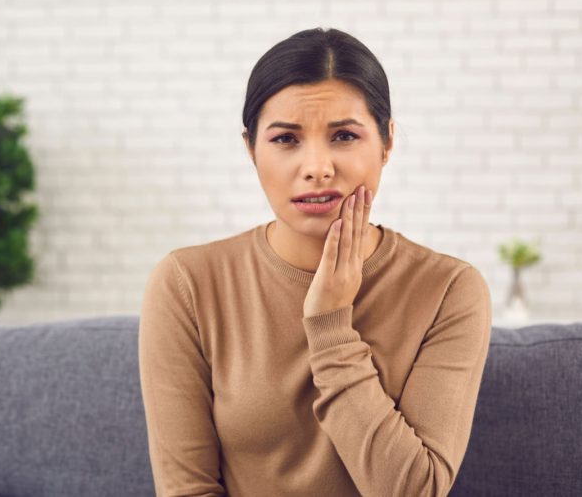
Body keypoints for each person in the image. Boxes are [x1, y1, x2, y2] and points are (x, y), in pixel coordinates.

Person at [138, 27, 492, 497]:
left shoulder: (450, 289)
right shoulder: (187, 283)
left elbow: (416, 491)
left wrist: (330, 328)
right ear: (251, 150)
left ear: (387, 143)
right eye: (286, 140)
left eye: (344, 135)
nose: (317, 167)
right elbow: (187, 489)